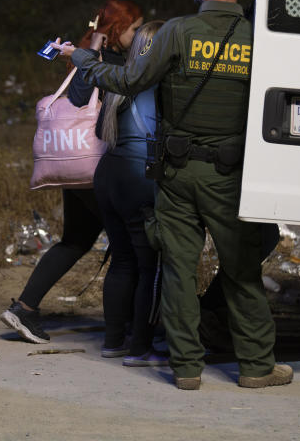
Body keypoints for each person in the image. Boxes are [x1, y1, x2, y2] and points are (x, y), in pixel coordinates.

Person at [53, 0, 293, 390]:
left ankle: (186, 369)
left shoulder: (179, 32)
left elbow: (128, 81)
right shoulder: (259, 39)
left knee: (179, 271)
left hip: (179, 173)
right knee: (240, 272)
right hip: (231, 176)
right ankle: (257, 367)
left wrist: (85, 59)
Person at [0, 0, 143, 344]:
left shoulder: (85, 55)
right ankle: (125, 330)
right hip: (94, 166)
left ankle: (24, 308)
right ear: (119, 28)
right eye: (136, 29)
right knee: (130, 248)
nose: (139, 36)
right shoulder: (107, 62)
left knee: (76, 240)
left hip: (74, 164)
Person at [91, 20, 167, 366]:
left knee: (122, 260)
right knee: (150, 267)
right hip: (139, 179)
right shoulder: (161, 86)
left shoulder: (118, 82)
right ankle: (140, 348)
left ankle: (113, 341)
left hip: (108, 176)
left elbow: (100, 131)